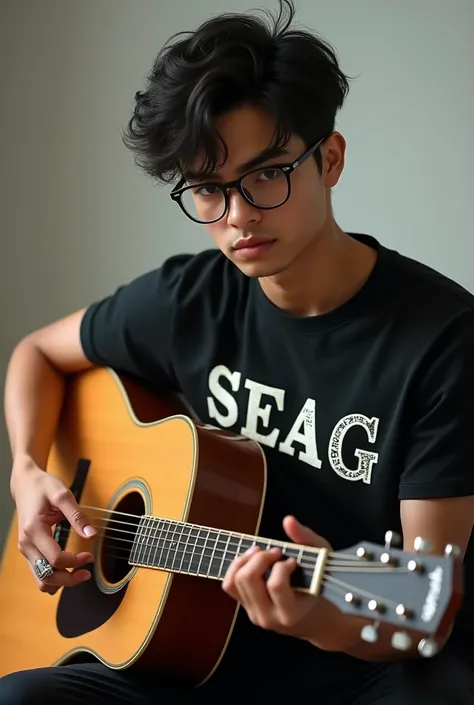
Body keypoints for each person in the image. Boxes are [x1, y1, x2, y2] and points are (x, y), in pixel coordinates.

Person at [1, 0, 474, 702]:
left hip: (361, 665)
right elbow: (36, 353)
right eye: (208, 190)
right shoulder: (189, 300)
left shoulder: (443, 339)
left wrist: (323, 616)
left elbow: (428, 609)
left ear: (330, 159)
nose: (238, 215)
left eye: (266, 175)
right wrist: (28, 470)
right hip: (191, 655)